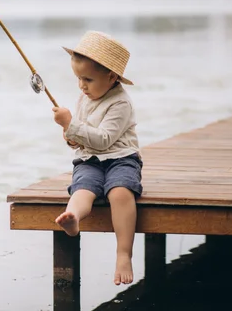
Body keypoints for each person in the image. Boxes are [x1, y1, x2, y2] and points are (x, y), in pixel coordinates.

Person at [51, 30, 142, 286]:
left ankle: (124, 254)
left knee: (120, 192)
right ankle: (74, 218)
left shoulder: (121, 103)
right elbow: (83, 138)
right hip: (90, 160)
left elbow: (103, 139)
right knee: (82, 190)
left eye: (88, 79)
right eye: (78, 78)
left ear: (112, 77)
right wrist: (70, 134)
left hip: (121, 158)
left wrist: (71, 125)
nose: (82, 86)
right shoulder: (85, 97)